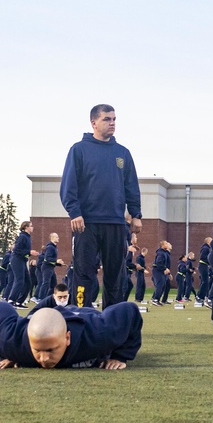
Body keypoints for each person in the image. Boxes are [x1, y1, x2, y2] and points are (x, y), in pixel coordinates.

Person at [60, 103, 142, 309]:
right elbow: (69, 185)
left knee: (116, 276)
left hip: (115, 223)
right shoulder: (78, 150)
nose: (112, 123)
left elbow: (131, 186)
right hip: (86, 224)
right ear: (94, 122)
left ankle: (111, 321)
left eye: (114, 119)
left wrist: (136, 214)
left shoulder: (122, 153)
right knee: (83, 274)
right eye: (107, 119)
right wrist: (75, 213)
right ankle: (80, 316)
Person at [0, 300, 143, 369]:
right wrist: (5, 353)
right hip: (40, 317)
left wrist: (121, 356)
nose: (44, 359)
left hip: (83, 315)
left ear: (67, 338)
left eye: (50, 350)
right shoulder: (11, 342)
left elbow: (129, 310)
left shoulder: (99, 333)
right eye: (37, 351)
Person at [8, 223, 40, 307]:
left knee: (28, 282)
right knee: (19, 280)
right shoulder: (22, 237)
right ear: (26, 227)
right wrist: (29, 252)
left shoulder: (27, 237)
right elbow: (17, 250)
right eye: (31, 226)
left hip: (22, 260)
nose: (32, 227)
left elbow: (24, 251)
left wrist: (31, 253)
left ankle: (19, 302)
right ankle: (11, 300)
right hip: (17, 260)